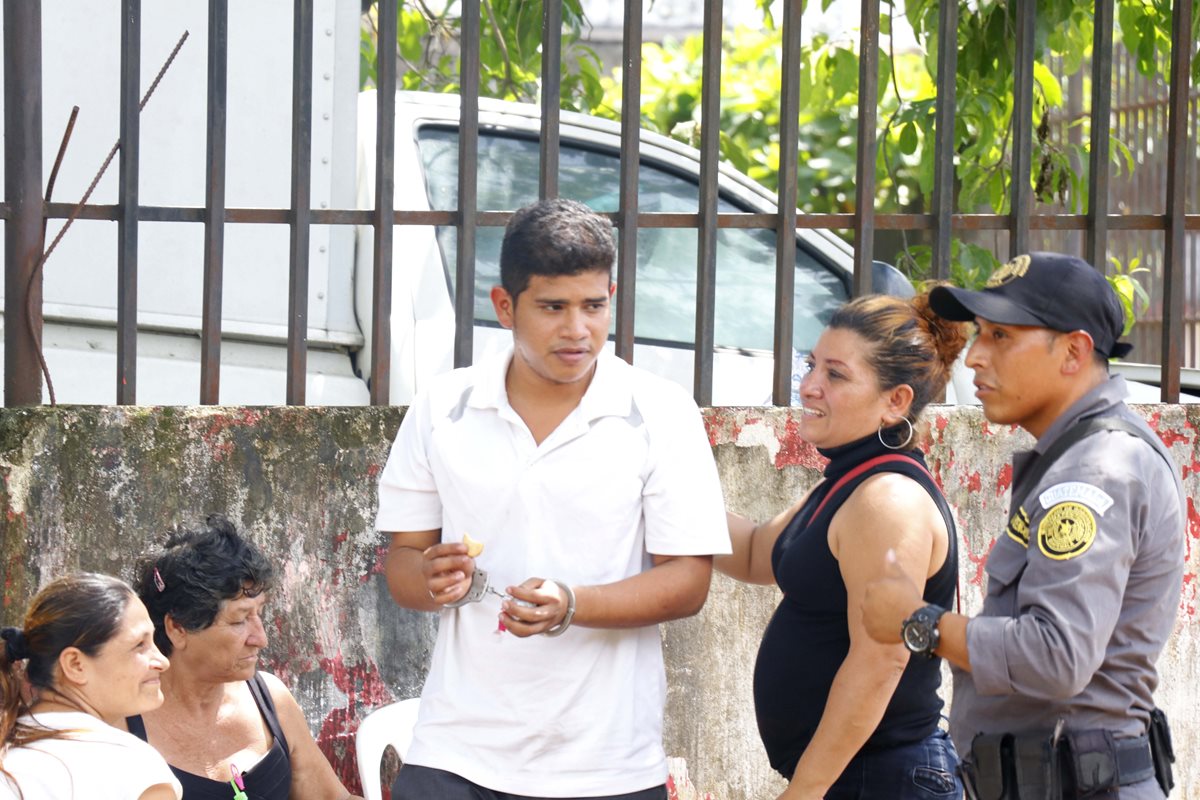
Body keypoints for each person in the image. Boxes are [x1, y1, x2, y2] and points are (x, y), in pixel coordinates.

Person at [376, 197, 730, 800]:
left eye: (594, 305)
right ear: (505, 306)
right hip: (455, 752)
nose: (577, 329)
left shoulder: (661, 412)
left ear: (611, 296)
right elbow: (404, 566)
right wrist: (432, 578)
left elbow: (689, 582)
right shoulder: (444, 407)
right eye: (553, 307)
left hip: (606, 763)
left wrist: (572, 604)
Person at [862, 252, 1186, 799]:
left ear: (1074, 351)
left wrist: (921, 623)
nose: (974, 356)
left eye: (1001, 336)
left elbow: (1055, 656)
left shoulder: (1095, 470)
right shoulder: (1081, 456)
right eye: (979, 333)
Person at [718, 291, 968, 799]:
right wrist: (658, 497)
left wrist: (804, 792)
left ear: (895, 402)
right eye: (812, 365)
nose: (809, 386)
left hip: (882, 778)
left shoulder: (887, 499)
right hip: (859, 777)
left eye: (835, 374)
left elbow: (880, 662)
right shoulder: (851, 481)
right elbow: (754, 553)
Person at [124, 515, 360, 800]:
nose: (260, 638)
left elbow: (333, 797)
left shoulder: (270, 699)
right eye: (238, 620)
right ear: (178, 628)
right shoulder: (121, 728)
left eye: (258, 613)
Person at [0, 572, 181, 800]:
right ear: (75, 664)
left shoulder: (11, 749)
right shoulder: (132, 768)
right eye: (139, 645)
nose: (162, 661)